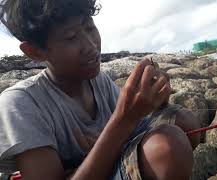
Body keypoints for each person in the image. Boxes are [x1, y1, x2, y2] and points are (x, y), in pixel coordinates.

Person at [0, 0, 201, 179]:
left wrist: (154, 101)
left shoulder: (98, 80)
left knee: (184, 121)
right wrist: (124, 119)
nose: (91, 45)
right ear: (34, 51)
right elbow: (123, 125)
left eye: (89, 27)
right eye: (71, 37)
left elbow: (130, 132)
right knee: (167, 148)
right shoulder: (20, 103)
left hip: (104, 164)